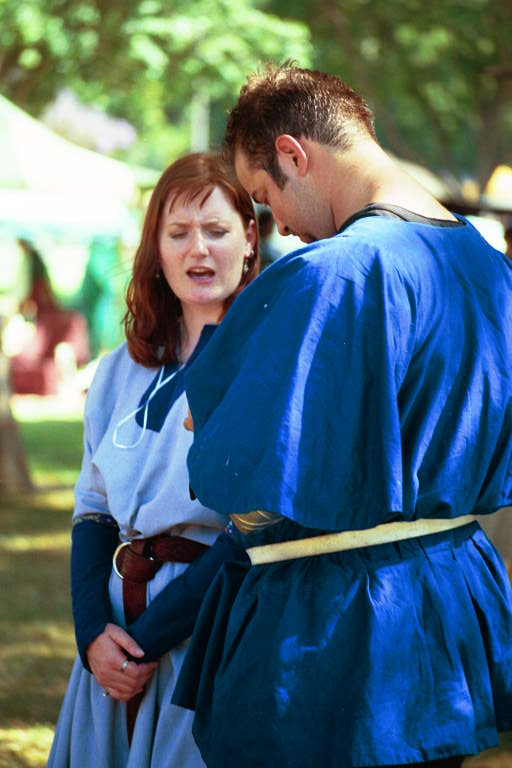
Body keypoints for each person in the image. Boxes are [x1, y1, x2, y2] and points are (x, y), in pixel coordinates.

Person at [169, 64, 512, 768]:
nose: (282, 228)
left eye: (266, 198)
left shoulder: (330, 274)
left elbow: (240, 473)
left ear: (296, 154)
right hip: (450, 605)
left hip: (335, 635)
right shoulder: (491, 268)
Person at [47, 152, 259, 768]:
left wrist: (145, 644)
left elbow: (253, 525)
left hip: (203, 638)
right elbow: (92, 509)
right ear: (156, 249)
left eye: (217, 231)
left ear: (249, 238)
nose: (199, 250)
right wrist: (93, 636)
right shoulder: (122, 369)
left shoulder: (263, 358)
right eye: (179, 233)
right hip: (111, 649)